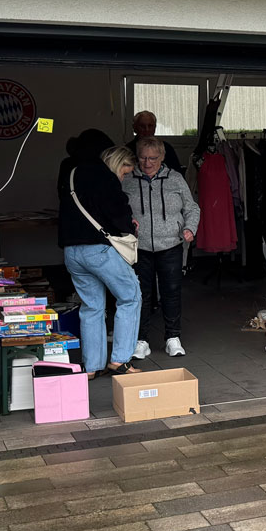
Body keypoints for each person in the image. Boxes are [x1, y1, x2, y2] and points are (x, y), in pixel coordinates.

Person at [58, 133, 143, 378]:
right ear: (116, 162)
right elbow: (117, 212)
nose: (124, 177)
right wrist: (129, 225)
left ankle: (92, 366)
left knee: (92, 306)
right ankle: (120, 361)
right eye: (125, 172)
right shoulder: (105, 176)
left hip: (72, 251)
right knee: (130, 297)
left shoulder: (72, 172)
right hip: (99, 251)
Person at [124, 137, 200, 358]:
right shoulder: (127, 179)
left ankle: (172, 338)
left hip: (170, 244)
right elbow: (116, 208)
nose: (147, 163)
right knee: (140, 294)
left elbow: (192, 208)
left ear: (162, 157)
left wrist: (190, 228)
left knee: (171, 292)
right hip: (139, 247)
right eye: (143, 158)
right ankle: (141, 340)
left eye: (153, 158)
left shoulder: (175, 179)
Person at [128, 110, 185, 177]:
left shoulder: (166, 148)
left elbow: (176, 173)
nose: (147, 130)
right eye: (142, 126)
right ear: (134, 128)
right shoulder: (127, 151)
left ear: (155, 128)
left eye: (150, 126)